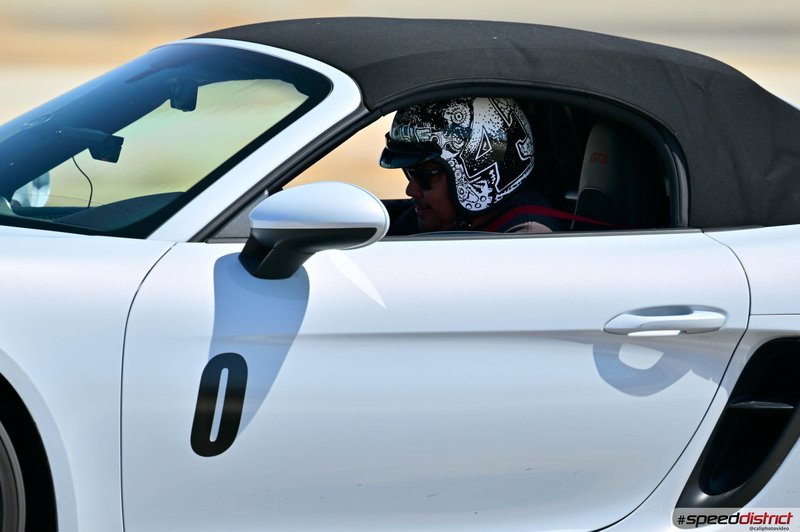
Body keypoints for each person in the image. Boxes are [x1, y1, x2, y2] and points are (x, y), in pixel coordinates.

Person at [380, 97, 565, 234]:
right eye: (411, 173)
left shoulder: (524, 242)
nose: (410, 190)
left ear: (478, 166)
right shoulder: (443, 216)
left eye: (425, 175)